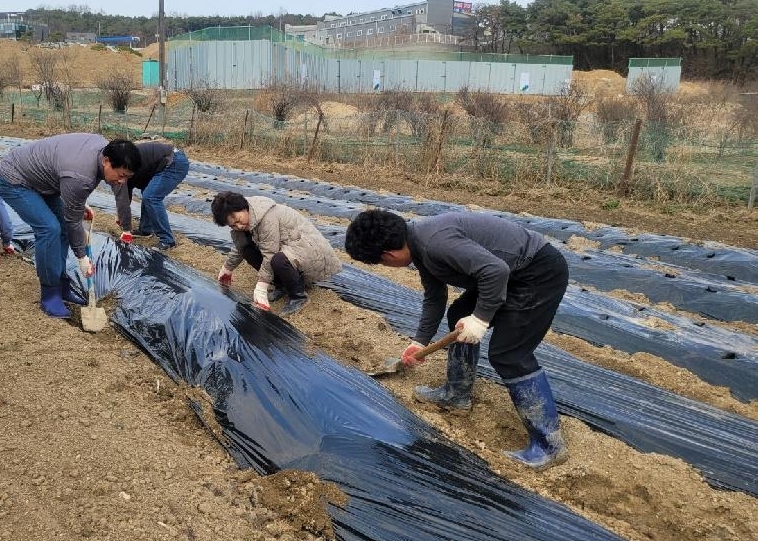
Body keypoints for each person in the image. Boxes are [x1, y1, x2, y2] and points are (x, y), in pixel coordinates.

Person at [344, 209, 570, 470]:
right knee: (460, 314)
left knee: (509, 354)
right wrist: (419, 341)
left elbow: (495, 271)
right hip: (509, 272)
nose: (386, 266)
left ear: (389, 255)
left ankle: (549, 446)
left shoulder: (435, 243)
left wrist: (481, 319)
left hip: (536, 273)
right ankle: (457, 394)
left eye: (382, 263)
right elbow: (434, 296)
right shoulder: (418, 246)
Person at [0, 133, 141, 319]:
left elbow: (71, 187)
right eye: (120, 175)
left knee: (61, 226)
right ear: (106, 160)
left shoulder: (102, 151)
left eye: (127, 177)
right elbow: (74, 217)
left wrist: (78, 203)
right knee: (49, 229)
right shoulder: (80, 174)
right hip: (14, 179)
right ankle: (49, 294)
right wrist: (82, 258)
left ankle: (62, 285)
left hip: (43, 179)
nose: (122, 181)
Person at [211, 191, 341, 317]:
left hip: (311, 251)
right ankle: (282, 286)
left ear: (244, 208)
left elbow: (270, 253)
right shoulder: (247, 223)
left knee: (277, 259)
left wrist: (261, 286)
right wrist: (227, 269)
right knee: (248, 251)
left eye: (239, 220)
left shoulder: (266, 217)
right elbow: (240, 247)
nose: (238, 227)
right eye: (233, 226)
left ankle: (299, 296)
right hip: (289, 249)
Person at [112, 140, 189, 251]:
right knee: (147, 192)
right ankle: (145, 230)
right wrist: (120, 213)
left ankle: (168, 240)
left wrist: (124, 225)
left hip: (173, 162)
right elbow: (125, 197)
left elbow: (124, 198)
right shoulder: (123, 169)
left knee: (151, 197)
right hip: (160, 164)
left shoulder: (126, 165)